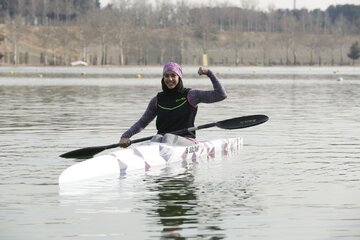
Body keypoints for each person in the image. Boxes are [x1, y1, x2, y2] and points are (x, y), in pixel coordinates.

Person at [119, 62, 227, 148]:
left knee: (167, 137)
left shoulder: (191, 95)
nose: (169, 79)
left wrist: (209, 73)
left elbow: (221, 95)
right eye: (166, 76)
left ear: (179, 77)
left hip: (186, 141)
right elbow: (142, 123)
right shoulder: (157, 100)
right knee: (157, 138)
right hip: (162, 142)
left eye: (173, 75)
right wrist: (126, 136)